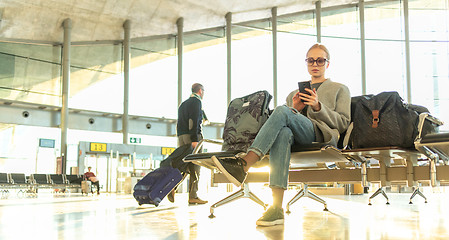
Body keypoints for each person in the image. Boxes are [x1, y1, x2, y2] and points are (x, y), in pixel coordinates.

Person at [212, 44, 351, 226]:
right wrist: (295, 109)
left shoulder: (340, 89)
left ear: (327, 64)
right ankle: (276, 208)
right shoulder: (294, 94)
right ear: (306, 63)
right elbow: (283, 122)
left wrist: (318, 107)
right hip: (295, 136)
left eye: (320, 60)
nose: (315, 64)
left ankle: (246, 163)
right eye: (311, 60)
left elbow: (343, 123)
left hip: (321, 135)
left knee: (281, 111)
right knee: (283, 133)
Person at [168, 83, 208, 205]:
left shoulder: (183, 104)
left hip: (182, 136)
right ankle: (193, 196)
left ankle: (172, 186)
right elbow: (194, 121)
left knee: (185, 164)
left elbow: (180, 123)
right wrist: (195, 138)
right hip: (192, 137)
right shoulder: (197, 102)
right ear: (200, 91)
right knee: (196, 166)